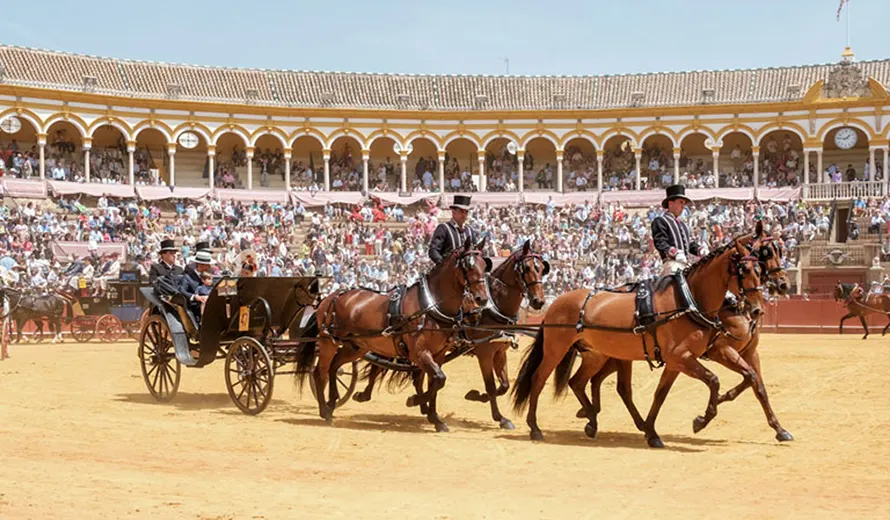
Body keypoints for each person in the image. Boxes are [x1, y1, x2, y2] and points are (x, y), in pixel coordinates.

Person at [651, 185, 704, 275]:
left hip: (686, 264)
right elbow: (660, 242)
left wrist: (700, 249)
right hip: (671, 263)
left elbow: (689, 244)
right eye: (680, 202)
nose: (683, 206)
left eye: (684, 203)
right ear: (670, 203)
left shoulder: (683, 225)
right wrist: (674, 252)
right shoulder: (661, 221)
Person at [428, 195, 478, 264]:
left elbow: (475, 250)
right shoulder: (444, 228)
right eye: (461, 211)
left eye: (466, 212)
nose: (464, 215)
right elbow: (433, 250)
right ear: (453, 212)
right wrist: (443, 264)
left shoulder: (470, 230)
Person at [178, 250, 214, 321]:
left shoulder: (210, 276)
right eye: (207, 265)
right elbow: (182, 290)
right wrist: (195, 297)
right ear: (200, 265)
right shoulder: (188, 277)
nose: (209, 267)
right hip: (195, 307)